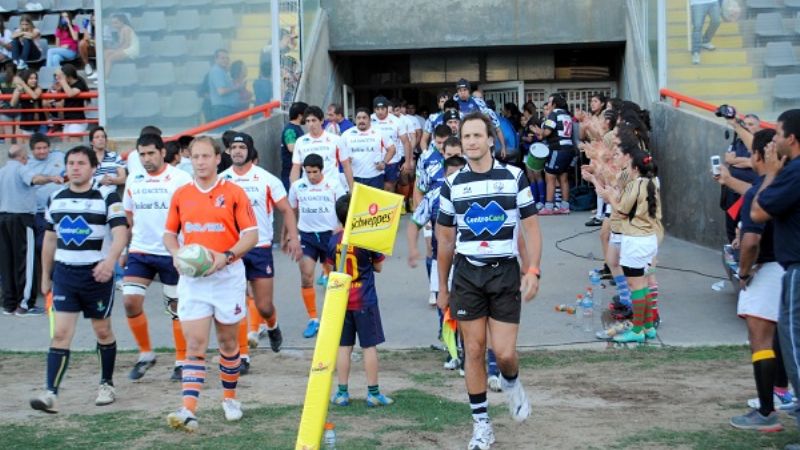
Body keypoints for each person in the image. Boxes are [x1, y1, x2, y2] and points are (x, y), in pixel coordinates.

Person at [436, 112, 542, 450]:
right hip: (467, 274)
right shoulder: (452, 184)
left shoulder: (514, 177)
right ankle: (481, 425)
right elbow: (445, 241)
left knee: (505, 353)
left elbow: (531, 228)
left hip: (504, 272)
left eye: (477, 135)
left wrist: (533, 270)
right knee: (474, 350)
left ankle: (511, 383)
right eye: (466, 136)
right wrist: (442, 287)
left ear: (490, 140)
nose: (471, 142)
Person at [163, 136, 258, 431]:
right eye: (195, 157)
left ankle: (230, 398)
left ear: (218, 158)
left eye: (206, 156)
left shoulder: (234, 193)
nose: (200, 162)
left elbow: (251, 235)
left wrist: (226, 257)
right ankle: (188, 409)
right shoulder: (181, 195)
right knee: (194, 345)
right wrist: (177, 254)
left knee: (228, 343)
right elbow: (169, 234)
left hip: (227, 278)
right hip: (194, 280)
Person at [29, 145, 129, 413]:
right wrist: (45, 276)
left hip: (96, 275)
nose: (75, 167)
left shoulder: (107, 196)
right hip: (65, 274)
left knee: (102, 331)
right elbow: (50, 239)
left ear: (93, 168)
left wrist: (109, 262)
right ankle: (51, 393)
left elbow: (121, 232)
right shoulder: (55, 198)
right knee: (60, 333)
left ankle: (106, 383)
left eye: (81, 163)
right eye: (71, 163)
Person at [726, 129, 787, 432]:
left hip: (768, 270)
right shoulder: (790, 185)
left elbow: (751, 241)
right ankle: (782, 393)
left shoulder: (759, 192)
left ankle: (766, 411)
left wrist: (744, 272)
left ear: (759, 156)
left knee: (760, 340)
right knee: (783, 340)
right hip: (789, 269)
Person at [221, 132, 302, 354]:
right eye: (234, 147)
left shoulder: (266, 179)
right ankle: (242, 355)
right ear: (228, 151)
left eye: (242, 147)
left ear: (250, 151)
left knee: (264, 306)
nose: (237, 151)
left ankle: (273, 326)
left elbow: (286, 210)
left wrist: (293, 238)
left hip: (260, 248)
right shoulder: (221, 180)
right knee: (236, 305)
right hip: (233, 249)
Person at [121, 133, 193, 382]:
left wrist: (188, 251)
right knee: (130, 301)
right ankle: (146, 354)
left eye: (151, 153)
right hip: (140, 251)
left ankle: (182, 361)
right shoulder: (134, 178)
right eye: (142, 154)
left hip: (171, 252)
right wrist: (124, 250)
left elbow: (191, 215)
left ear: (162, 152)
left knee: (176, 308)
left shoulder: (181, 178)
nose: (146, 159)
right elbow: (128, 218)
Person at [751, 109, 800, 441]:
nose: (775, 140)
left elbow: (758, 212)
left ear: (792, 139)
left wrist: (770, 174)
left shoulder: (793, 172)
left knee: (794, 347)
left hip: (796, 269)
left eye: (779, 134)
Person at [327, 194, 394, 408]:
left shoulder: (333, 240)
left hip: (342, 301)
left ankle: (342, 392)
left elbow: (330, 268)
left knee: (344, 347)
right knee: (369, 346)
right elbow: (379, 267)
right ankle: (373, 393)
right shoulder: (366, 238)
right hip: (364, 299)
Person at [597, 148, 663, 344]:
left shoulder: (636, 185)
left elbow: (622, 210)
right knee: (644, 284)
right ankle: (648, 326)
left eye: (628, 166)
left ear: (635, 168)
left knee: (636, 287)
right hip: (649, 239)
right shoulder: (653, 182)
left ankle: (637, 330)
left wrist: (610, 197)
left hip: (635, 241)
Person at [288, 154, 347, 339]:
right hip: (307, 237)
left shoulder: (334, 185)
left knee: (336, 278)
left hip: (330, 236)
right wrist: (289, 236)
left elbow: (345, 207)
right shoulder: (297, 186)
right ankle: (313, 319)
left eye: (315, 172)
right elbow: (291, 211)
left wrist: (342, 225)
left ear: (322, 170)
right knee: (306, 276)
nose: (311, 176)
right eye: (308, 172)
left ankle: (336, 317)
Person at [0, 144, 61, 315]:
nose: (27, 160)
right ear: (21, 157)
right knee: (26, 263)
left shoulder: (2, 171)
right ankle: (25, 305)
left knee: (7, 263)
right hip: (21, 219)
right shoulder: (21, 169)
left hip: (3, 219)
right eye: (26, 157)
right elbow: (35, 179)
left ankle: (9, 304)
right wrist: (51, 178)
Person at [290, 105, 353, 191]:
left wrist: (352, 188)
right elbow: (296, 168)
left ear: (322, 120)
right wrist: (293, 190)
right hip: (308, 190)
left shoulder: (336, 139)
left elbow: (346, 166)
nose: (311, 124)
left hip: (332, 189)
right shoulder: (300, 142)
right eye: (308, 121)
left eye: (314, 120)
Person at [340, 107, 395, 189]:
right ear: (355, 120)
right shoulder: (346, 134)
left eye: (364, 118)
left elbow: (392, 149)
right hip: (355, 176)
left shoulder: (379, 132)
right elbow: (339, 153)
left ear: (370, 119)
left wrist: (384, 162)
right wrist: (346, 158)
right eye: (358, 118)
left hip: (375, 177)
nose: (361, 120)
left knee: (376, 198)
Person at [539, 93, 575, 216]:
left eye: (549, 102)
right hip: (568, 148)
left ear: (554, 104)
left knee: (550, 176)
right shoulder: (567, 115)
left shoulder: (554, 114)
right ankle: (565, 206)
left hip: (557, 148)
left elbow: (547, 132)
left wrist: (539, 131)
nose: (548, 104)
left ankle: (548, 206)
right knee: (563, 178)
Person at [453, 79, 506, 154]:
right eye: (460, 90)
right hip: (461, 141)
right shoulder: (453, 103)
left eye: (465, 90)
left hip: (479, 138)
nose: (462, 92)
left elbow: (496, 128)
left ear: (469, 90)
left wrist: (503, 147)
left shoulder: (478, 102)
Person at [371, 96, 409, 192]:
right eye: (377, 109)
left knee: (389, 188)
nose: (380, 111)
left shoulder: (396, 121)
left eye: (382, 109)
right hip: (373, 161)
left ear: (387, 108)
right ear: (374, 109)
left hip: (392, 161)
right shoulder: (369, 119)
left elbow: (406, 142)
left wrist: (407, 161)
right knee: (375, 189)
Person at [55, 64, 89, 141]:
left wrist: (62, 81)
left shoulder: (79, 84)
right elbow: (58, 99)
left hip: (78, 121)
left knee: (74, 144)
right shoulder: (66, 85)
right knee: (65, 143)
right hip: (68, 120)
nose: (60, 79)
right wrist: (58, 90)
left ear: (68, 76)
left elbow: (70, 94)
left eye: (62, 76)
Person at [89, 126, 126, 195]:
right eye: (97, 137)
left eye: (103, 137)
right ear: (91, 142)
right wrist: (100, 181)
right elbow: (82, 180)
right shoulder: (86, 158)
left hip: (111, 195)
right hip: (92, 195)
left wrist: (110, 180)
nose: (100, 139)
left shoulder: (114, 156)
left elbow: (123, 179)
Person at [207, 49, 242, 122]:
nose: (226, 60)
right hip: (223, 110)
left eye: (227, 58)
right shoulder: (217, 71)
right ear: (216, 59)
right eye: (222, 58)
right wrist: (236, 88)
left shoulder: (222, 71)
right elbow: (221, 91)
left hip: (226, 109)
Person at [10, 68, 46, 135]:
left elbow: (35, 96)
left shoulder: (38, 88)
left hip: (40, 122)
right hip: (27, 122)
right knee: (27, 141)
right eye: (31, 78)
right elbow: (12, 104)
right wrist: (18, 89)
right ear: (26, 78)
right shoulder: (20, 89)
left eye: (35, 78)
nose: (34, 80)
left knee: (41, 140)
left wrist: (22, 84)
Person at [280, 101, 307, 191]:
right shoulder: (290, 130)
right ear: (300, 116)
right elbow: (291, 148)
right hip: (291, 172)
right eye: (306, 114)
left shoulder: (296, 128)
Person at [690, 0, 721, 65]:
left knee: (716, 21)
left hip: (713, 2)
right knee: (697, 27)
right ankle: (696, 52)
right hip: (697, 3)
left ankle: (705, 41)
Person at [78, 13, 96, 79]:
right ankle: (87, 65)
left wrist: (92, 41)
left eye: (96, 20)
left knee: (98, 44)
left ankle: (100, 68)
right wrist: (85, 29)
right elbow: (85, 38)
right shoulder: (89, 26)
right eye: (93, 20)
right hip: (91, 48)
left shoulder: (104, 26)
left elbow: (104, 42)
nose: (94, 22)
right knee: (82, 43)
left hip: (102, 49)